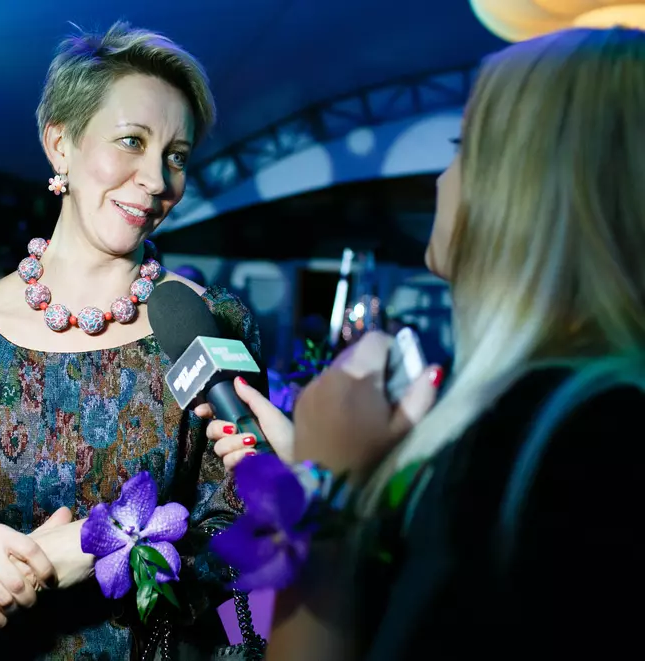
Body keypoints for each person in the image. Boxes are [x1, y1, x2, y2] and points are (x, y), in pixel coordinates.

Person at [202, 27, 645, 659]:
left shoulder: (583, 443)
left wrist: (323, 492)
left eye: (462, 148)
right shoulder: (565, 409)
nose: (441, 179)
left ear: (524, 186)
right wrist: (329, 469)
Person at [0, 22, 265, 659]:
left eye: (176, 156)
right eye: (132, 141)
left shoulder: (212, 322)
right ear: (60, 144)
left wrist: (113, 544)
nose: (157, 179)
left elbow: (249, 543)